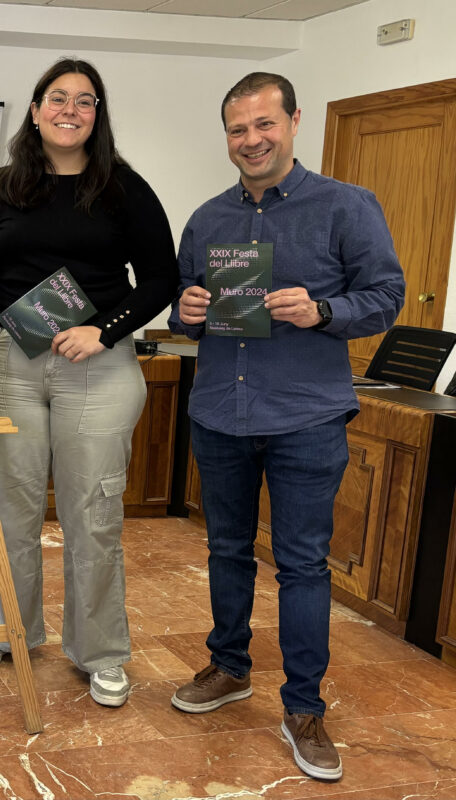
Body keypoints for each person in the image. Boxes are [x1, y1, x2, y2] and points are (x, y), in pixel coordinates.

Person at [167, 72, 405, 782]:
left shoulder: (346, 207)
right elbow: (184, 305)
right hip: (220, 413)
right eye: (238, 130)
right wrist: (190, 309)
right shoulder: (208, 219)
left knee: (302, 563)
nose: (251, 140)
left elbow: (386, 294)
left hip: (306, 415)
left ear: (294, 122)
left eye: (264, 124)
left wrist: (323, 311)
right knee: (228, 553)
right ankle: (229, 666)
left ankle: (304, 707)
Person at [0, 58, 179, 710]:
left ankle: (101, 651)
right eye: (58, 98)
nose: (70, 109)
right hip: (10, 363)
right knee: (9, 510)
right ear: (35, 110)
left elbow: (162, 281)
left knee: (93, 515)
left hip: (100, 366)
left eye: (85, 101)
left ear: (96, 116)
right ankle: (8, 629)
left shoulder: (123, 188)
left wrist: (103, 330)